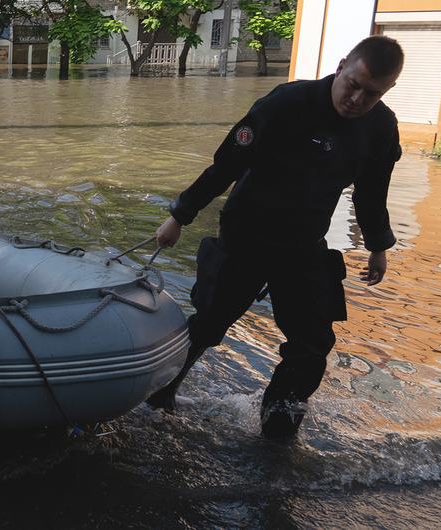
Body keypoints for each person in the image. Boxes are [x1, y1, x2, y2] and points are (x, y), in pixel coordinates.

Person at [143, 36, 405, 440]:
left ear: (386, 91)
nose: (356, 98)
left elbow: (373, 191)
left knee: (313, 342)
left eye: (371, 93)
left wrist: (377, 245)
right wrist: (180, 215)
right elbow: (226, 164)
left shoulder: (381, 128)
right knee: (210, 324)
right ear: (340, 66)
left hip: (303, 246)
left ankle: (279, 428)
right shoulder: (286, 104)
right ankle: (158, 397)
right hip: (248, 233)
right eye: (353, 83)